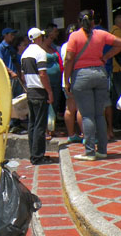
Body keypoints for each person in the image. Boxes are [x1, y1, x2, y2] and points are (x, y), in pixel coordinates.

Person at [64, 10, 121, 161]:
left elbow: (69, 59)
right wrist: (106, 56)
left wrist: (66, 81)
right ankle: (102, 150)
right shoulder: (101, 34)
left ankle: (90, 151)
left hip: (81, 76)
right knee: (99, 114)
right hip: (100, 73)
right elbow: (120, 43)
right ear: (93, 21)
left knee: (87, 115)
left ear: (79, 22)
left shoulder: (75, 36)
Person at [21, 28, 55, 165]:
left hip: (30, 92)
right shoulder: (40, 53)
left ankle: (34, 154)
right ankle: (38, 157)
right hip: (40, 92)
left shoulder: (24, 54)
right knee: (40, 126)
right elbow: (43, 74)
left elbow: (23, 76)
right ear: (39, 38)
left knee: (32, 125)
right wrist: (50, 92)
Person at [61, 24, 83, 143]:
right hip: (76, 78)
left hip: (66, 79)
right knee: (81, 108)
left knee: (69, 107)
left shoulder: (64, 46)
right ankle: (85, 134)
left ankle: (71, 134)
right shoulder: (78, 44)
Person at [41, 26, 63, 140]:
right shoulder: (40, 49)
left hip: (57, 81)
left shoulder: (53, 47)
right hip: (47, 81)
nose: (51, 39)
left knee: (55, 104)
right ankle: (46, 129)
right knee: (47, 105)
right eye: (49, 37)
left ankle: (52, 128)